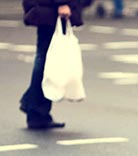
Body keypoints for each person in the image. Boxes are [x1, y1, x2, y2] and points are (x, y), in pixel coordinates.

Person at [20, 0, 92, 130]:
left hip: (47, 6)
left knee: (45, 54)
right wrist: (62, 3)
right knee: (46, 56)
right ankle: (34, 108)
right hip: (51, 7)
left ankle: (36, 109)